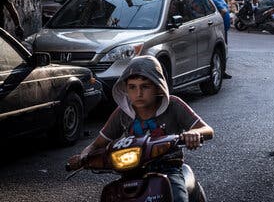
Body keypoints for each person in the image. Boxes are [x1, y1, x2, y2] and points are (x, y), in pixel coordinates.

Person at [67, 56, 214, 202]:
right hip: (130, 172)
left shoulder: (174, 105)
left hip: (168, 169)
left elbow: (207, 129)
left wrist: (193, 133)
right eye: (132, 87)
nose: (138, 93)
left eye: (145, 86)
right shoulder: (122, 113)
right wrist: (83, 156)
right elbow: (97, 144)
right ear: (125, 89)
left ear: (158, 86)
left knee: (178, 198)